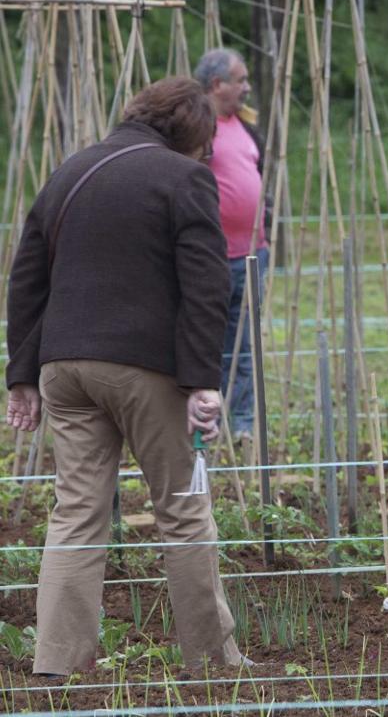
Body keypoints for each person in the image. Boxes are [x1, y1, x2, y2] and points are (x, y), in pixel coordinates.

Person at [6, 77, 245, 674]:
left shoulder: (69, 172)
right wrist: (203, 381)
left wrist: (23, 375)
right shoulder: (183, 179)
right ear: (192, 134)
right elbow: (205, 285)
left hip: (65, 370)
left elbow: (28, 277)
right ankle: (212, 662)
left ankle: (57, 663)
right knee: (184, 508)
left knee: (76, 511)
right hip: (147, 370)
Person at [194, 48, 270, 448]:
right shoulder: (196, 127)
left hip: (254, 252)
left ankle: (242, 425)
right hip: (212, 257)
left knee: (246, 344)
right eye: (240, 80)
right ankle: (210, 420)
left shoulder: (244, 125)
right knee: (211, 340)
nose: (246, 87)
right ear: (216, 84)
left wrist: (266, 230)